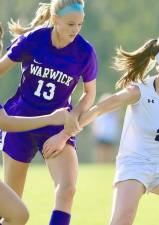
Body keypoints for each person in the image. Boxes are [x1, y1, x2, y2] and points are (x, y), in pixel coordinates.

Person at [44, 35, 159, 225]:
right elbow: (98, 110)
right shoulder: (139, 91)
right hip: (135, 165)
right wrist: (63, 136)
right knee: (121, 222)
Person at [0, 1, 98, 224]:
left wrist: (71, 120)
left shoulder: (85, 52)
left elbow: (89, 94)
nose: (76, 29)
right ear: (55, 19)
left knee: (68, 189)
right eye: (70, 23)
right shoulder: (34, 40)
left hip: (57, 125)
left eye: (80, 24)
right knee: (11, 210)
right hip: (20, 122)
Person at [91, 93, 120, 163]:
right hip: (101, 135)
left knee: (109, 152)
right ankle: (100, 164)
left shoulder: (114, 114)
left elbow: (115, 125)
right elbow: (96, 125)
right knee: (101, 152)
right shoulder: (100, 114)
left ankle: (107, 163)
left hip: (110, 136)